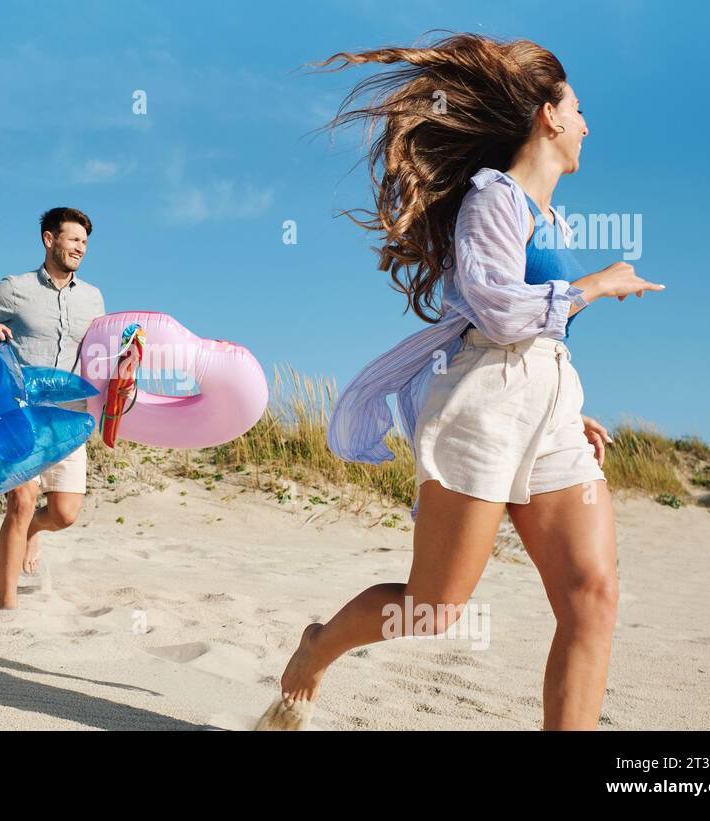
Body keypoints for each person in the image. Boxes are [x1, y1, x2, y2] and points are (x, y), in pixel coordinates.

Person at [259, 32, 665, 730]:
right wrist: (595, 285)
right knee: (435, 606)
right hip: (481, 407)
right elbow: (500, 312)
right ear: (549, 115)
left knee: (592, 595)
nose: (588, 125)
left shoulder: (548, 215)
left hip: (549, 413)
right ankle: (319, 646)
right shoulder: (491, 201)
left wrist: (571, 406)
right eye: (579, 108)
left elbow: (539, 337)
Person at [0, 207, 106, 610]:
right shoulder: (16, 288)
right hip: (21, 413)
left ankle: (34, 531)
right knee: (21, 499)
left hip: (70, 418)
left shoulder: (93, 299)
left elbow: (102, 353)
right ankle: (8, 607)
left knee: (64, 514)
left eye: (85, 243)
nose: (80, 248)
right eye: (73, 239)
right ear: (49, 239)